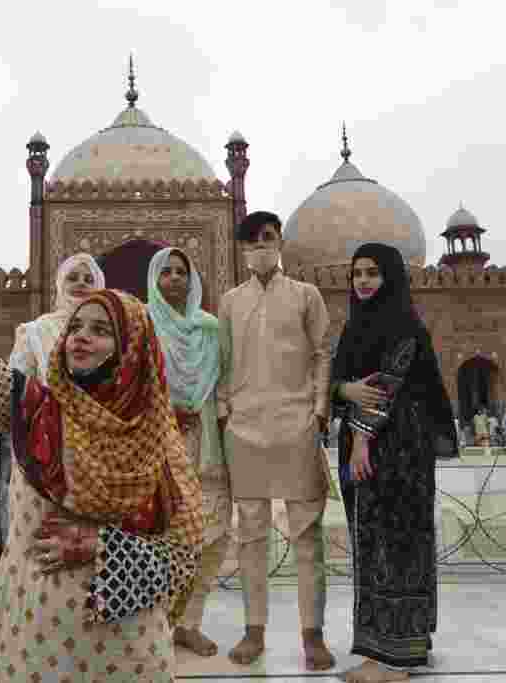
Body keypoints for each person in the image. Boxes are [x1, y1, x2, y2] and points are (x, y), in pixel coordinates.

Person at [0, 203, 204, 681]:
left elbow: (182, 555)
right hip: (38, 634)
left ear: (131, 350)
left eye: (101, 331)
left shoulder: (153, 434)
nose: (81, 338)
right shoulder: (35, 409)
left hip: (125, 647)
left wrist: (105, 545)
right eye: (76, 327)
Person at [331, 243, 459, 682]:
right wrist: (343, 391)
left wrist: (362, 442)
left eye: (372, 272)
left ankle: (387, 660)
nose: (363, 281)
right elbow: (342, 381)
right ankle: (411, 643)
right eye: (357, 273)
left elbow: (387, 383)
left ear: (390, 277)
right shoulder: (358, 328)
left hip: (395, 448)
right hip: (381, 443)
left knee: (387, 543)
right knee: (395, 542)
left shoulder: (401, 324)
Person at [218, 211, 334, 668]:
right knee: (250, 535)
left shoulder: (306, 295)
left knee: (308, 535)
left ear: (280, 240)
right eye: (251, 240)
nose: (260, 245)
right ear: (243, 247)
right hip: (245, 427)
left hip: (297, 423)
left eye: (267, 237)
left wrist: (319, 410)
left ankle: (313, 635)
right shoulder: (230, 301)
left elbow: (323, 352)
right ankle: (254, 630)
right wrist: (226, 412)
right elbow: (224, 359)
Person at [147, 245, 231, 657]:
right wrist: (166, 410)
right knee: (165, 538)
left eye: (181, 271)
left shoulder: (211, 328)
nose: (174, 278)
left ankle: (190, 623)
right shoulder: (143, 327)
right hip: (162, 445)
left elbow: (226, 382)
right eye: (166, 272)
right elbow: (133, 387)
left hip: (210, 445)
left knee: (212, 540)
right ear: (155, 280)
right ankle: (159, 621)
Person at [9, 253, 106, 385]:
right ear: (60, 285)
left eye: (89, 280)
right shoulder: (36, 331)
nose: (81, 282)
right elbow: (18, 387)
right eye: (72, 278)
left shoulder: (109, 331)